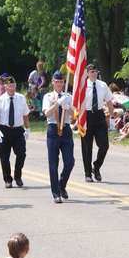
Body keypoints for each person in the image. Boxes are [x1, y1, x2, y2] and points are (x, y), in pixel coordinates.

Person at [42, 71, 75, 203]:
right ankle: (56, 193)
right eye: (57, 82)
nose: (60, 84)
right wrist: (58, 104)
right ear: (52, 82)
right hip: (53, 130)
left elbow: (74, 116)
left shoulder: (68, 96)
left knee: (69, 162)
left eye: (61, 82)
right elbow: (48, 113)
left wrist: (67, 107)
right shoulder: (48, 97)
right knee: (53, 164)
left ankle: (62, 184)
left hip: (66, 130)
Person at [0, 75, 30, 188]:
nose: (12, 88)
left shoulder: (21, 98)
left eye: (13, 86)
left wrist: (27, 129)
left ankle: (18, 176)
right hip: (4, 130)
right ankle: (7, 179)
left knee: (21, 153)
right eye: (9, 86)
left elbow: (25, 114)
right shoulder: (0, 100)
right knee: (4, 157)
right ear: (5, 87)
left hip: (18, 130)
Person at [81, 64, 114, 182]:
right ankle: (88, 173)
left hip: (99, 115)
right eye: (92, 71)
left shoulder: (103, 85)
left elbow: (109, 101)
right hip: (87, 116)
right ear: (87, 73)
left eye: (96, 71)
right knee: (87, 146)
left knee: (104, 145)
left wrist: (112, 116)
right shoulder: (82, 86)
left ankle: (97, 166)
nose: (94, 73)